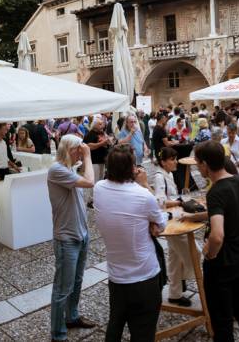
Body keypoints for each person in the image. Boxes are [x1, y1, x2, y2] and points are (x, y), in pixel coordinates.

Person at [94, 145, 167, 341]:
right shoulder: (142, 195)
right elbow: (161, 225)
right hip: (144, 276)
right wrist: (144, 184)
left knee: (115, 322)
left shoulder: (99, 188)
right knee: (143, 331)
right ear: (132, 168)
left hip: (116, 276)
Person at [194, 141, 239, 342]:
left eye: (198, 164)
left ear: (205, 164)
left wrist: (209, 252)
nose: (197, 168)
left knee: (221, 319)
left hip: (221, 263)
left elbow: (217, 235)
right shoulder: (237, 181)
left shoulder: (216, 192)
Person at [48, 135, 97, 342]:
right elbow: (90, 182)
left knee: (76, 282)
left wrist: (82, 157)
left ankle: (72, 317)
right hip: (67, 238)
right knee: (62, 288)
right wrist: (88, 156)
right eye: (78, 149)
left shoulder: (69, 168)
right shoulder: (56, 169)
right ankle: (58, 334)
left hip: (81, 235)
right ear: (69, 149)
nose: (81, 152)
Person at [150, 147, 198, 307]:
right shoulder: (158, 176)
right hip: (171, 222)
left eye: (175, 158)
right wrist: (179, 202)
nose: (175, 162)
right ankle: (199, 279)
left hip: (175, 216)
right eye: (172, 159)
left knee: (175, 258)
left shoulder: (168, 173)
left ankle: (174, 294)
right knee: (195, 253)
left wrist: (180, 198)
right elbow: (159, 202)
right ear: (163, 162)